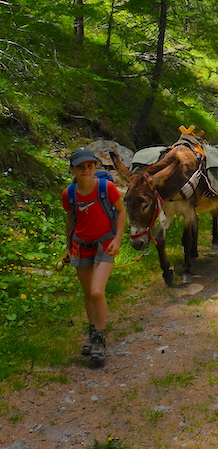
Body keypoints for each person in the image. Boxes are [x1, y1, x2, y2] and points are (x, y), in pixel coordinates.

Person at [62, 147, 127, 365]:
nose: (86, 170)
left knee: (97, 291)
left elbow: (121, 211)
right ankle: (92, 332)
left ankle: (99, 339)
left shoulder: (106, 188)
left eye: (90, 166)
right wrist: (67, 246)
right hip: (81, 247)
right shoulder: (69, 194)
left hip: (105, 246)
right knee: (87, 293)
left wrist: (117, 239)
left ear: (95, 167)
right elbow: (70, 221)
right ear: (72, 169)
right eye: (81, 167)